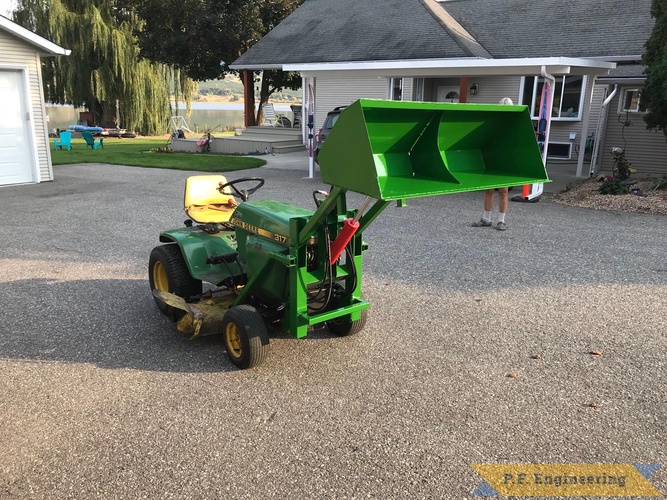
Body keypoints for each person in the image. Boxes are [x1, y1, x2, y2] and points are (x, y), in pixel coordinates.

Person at [471, 97, 514, 231]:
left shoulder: (515, 124)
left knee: (503, 191)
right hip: (492, 159)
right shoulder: (493, 121)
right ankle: (486, 218)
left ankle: (501, 221)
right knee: (488, 189)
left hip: (505, 161)